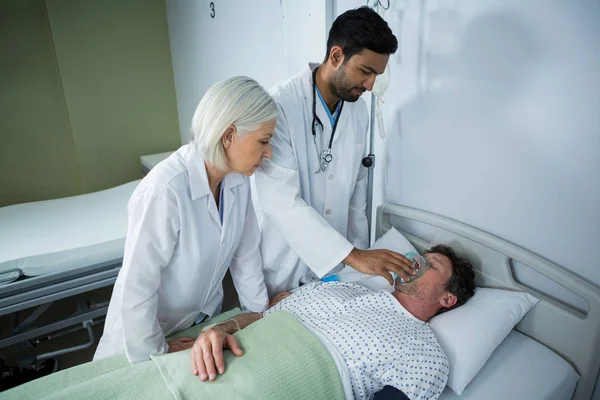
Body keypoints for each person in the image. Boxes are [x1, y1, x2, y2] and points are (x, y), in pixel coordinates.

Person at [94, 77, 277, 363]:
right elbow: (138, 286)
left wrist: (261, 314)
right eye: (263, 141)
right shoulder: (167, 189)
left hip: (199, 325)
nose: (269, 152)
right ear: (229, 135)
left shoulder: (237, 182)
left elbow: (246, 257)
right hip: (145, 336)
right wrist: (157, 353)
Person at [252, 7, 412, 297]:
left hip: (337, 271)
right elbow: (280, 201)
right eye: (365, 71)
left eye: (377, 75)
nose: (370, 85)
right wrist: (353, 256)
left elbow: (356, 196)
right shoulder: (279, 106)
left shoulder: (359, 110)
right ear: (336, 56)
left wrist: (358, 262)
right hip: (284, 264)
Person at [191, 244, 476, 400]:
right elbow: (258, 318)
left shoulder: (425, 355)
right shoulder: (339, 288)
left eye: (432, 265)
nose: (416, 263)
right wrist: (216, 330)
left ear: (448, 299)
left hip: (278, 382)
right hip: (224, 357)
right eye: (420, 257)